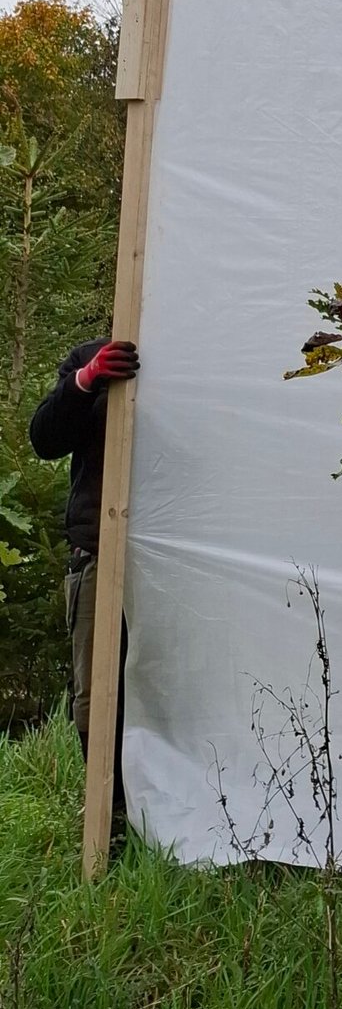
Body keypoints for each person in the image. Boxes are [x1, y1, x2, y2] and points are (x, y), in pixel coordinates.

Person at [28, 336, 139, 823]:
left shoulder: (199, 359)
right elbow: (45, 439)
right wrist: (85, 380)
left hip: (184, 559)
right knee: (99, 695)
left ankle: (181, 819)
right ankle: (109, 823)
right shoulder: (97, 355)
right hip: (99, 550)